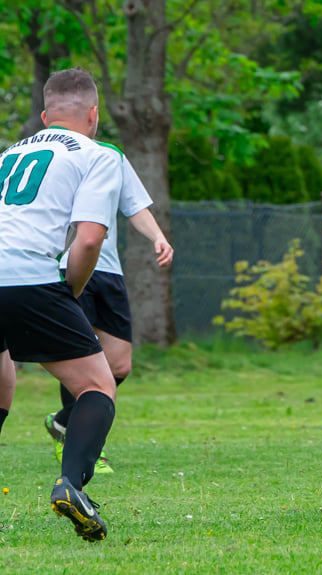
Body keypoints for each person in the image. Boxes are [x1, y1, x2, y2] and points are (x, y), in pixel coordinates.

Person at [0, 67, 122, 541]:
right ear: (94, 115)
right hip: (28, 276)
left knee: (2, 385)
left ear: (46, 116)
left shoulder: (10, 153)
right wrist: (67, 294)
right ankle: (72, 485)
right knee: (97, 384)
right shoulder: (97, 155)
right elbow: (88, 240)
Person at [44, 158, 174, 473]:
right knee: (82, 353)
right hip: (67, 264)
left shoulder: (109, 155)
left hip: (108, 269)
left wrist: (157, 236)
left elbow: (134, 204)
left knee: (119, 364)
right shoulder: (52, 151)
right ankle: (77, 443)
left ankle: (62, 421)